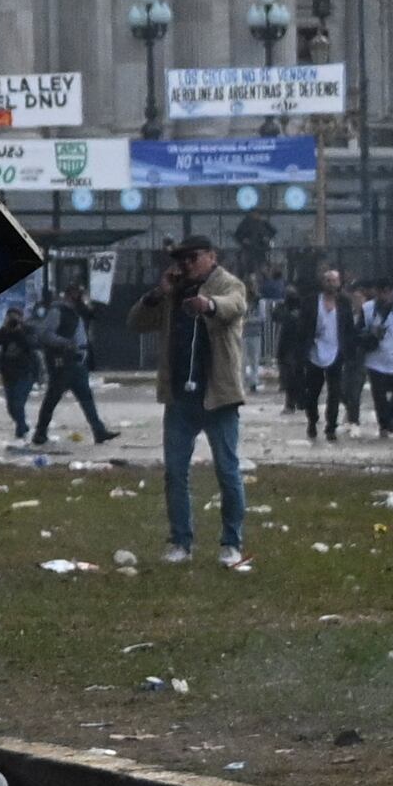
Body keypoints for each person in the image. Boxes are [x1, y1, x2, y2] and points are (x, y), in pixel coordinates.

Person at [148, 236, 251, 569]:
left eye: (193, 258)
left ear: (211, 256)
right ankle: (180, 541)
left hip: (217, 396)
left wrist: (207, 305)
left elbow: (235, 305)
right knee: (175, 473)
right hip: (179, 397)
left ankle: (231, 543)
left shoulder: (228, 283)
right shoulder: (174, 291)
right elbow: (136, 321)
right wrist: (159, 293)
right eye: (182, 260)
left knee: (227, 471)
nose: (187, 264)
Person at [35, 273, 112, 446]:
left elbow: (94, 316)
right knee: (52, 397)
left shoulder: (77, 312)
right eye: (78, 293)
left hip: (78, 360)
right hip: (63, 361)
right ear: (71, 294)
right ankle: (40, 432)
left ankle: (99, 431)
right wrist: (64, 343)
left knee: (86, 397)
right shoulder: (58, 311)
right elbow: (45, 334)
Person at [301, 270, 349, 443]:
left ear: (339, 283)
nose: (331, 284)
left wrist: (348, 350)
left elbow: (348, 327)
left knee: (334, 392)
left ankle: (331, 427)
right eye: (328, 280)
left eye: (334, 280)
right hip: (315, 352)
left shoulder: (344, 302)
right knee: (313, 392)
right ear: (323, 283)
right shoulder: (312, 302)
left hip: (336, 353)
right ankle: (312, 421)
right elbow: (303, 326)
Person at [362, 280, 393, 437]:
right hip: (374, 359)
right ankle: (384, 425)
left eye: (388, 291)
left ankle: (389, 417)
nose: (384, 295)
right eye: (381, 291)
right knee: (379, 395)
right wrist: (371, 334)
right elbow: (358, 332)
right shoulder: (367, 309)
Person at [0, 300, 43, 446]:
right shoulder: (5, 331)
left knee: (18, 403)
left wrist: (19, 331)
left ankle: (21, 430)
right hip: (9, 373)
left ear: (22, 318)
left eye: (16, 317)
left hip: (25, 372)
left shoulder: (28, 329)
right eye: (10, 317)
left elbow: (32, 345)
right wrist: (5, 329)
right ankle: (23, 425)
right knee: (11, 406)